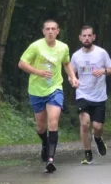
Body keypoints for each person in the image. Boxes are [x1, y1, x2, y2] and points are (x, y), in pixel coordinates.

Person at [18, 19, 78, 173]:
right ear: (43, 31)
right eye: (47, 29)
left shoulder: (63, 47)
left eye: (53, 29)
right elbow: (22, 63)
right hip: (36, 89)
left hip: (55, 88)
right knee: (40, 126)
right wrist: (39, 72)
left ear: (58, 31)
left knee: (53, 121)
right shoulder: (36, 46)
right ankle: (45, 142)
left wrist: (72, 77)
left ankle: (50, 159)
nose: (50, 32)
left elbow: (66, 63)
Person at [70, 25, 111, 164]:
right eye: (84, 36)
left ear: (94, 37)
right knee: (85, 123)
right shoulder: (76, 56)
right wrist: (73, 80)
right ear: (80, 38)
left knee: (97, 127)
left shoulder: (101, 53)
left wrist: (103, 71)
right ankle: (88, 153)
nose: (87, 38)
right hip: (82, 94)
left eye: (89, 35)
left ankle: (98, 139)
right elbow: (71, 73)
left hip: (99, 96)